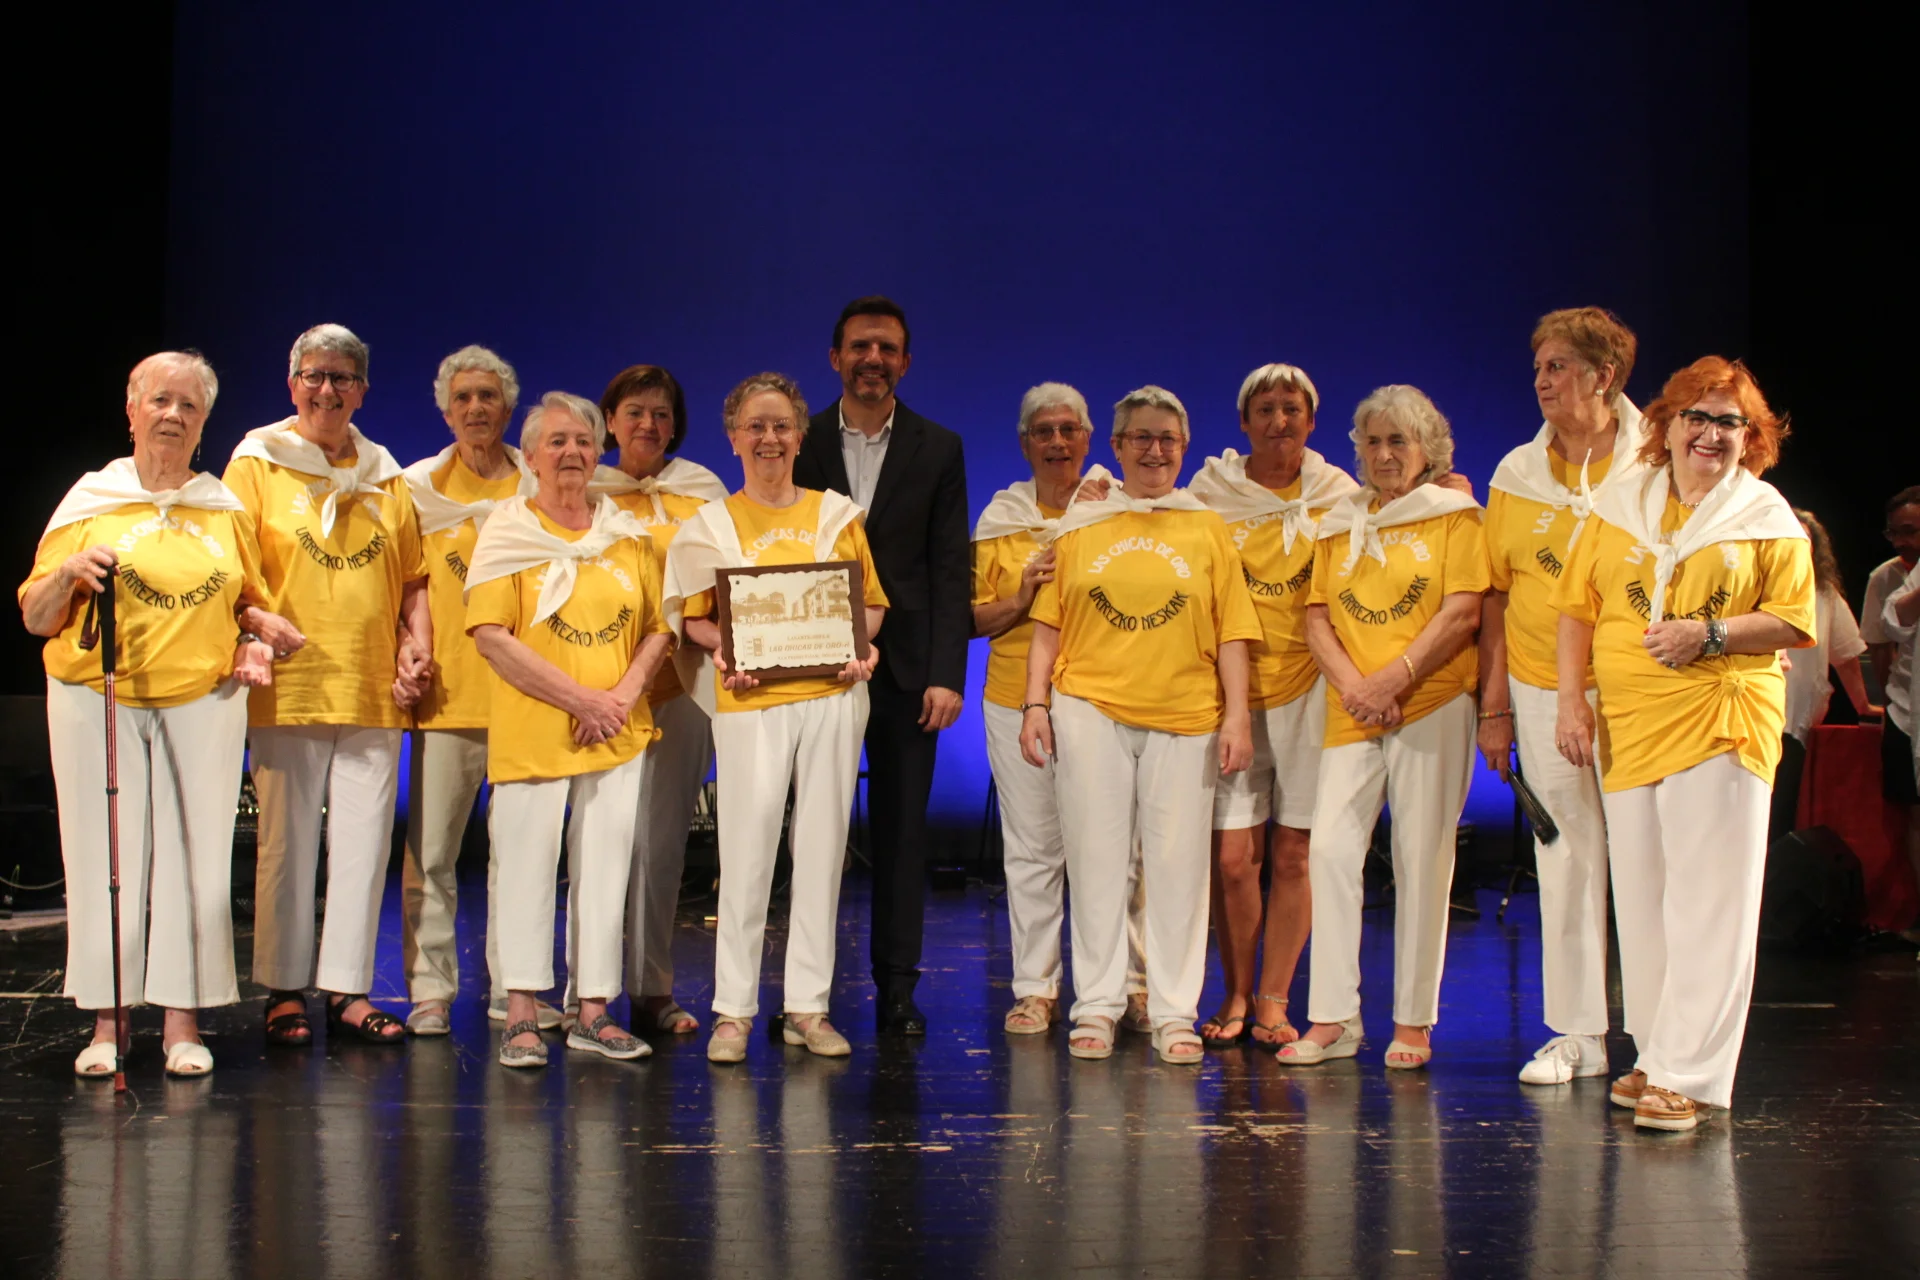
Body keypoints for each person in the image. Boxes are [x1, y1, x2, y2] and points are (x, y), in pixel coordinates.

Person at [1553, 356, 1813, 1132]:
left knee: (1709, 904)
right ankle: (1656, 1053)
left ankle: (1691, 1075)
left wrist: (1709, 635)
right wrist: (1570, 703)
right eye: (1696, 417)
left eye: (1730, 422)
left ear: (1751, 438)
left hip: (1720, 718)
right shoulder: (1620, 507)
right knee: (1644, 902)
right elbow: (1576, 609)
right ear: (1664, 427)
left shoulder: (1765, 516)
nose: (1710, 434)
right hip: (1630, 724)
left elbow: (1794, 619)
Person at [21, 352, 290, 1077]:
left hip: (204, 698)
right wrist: (68, 574)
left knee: (195, 861)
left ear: (203, 424)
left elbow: (251, 604)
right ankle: (108, 1022)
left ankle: (182, 1023)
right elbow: (37, 616)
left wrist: (257, 638)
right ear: (132, 410)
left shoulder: (222, 507)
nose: (173, 415)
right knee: (102, 853)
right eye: (161, 401)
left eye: (189, 406)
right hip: (96, 695)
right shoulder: (91, 499)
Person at [1018, 385, 1261, 1066]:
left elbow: (1233, 632)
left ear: (1184, 449)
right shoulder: (1082, 524)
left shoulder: (1206, 528)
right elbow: (1047, 627)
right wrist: (1035, 704)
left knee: (1178, 868)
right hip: (1089, 708)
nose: (1155, 451)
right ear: (1117, 447)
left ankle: (1174, 1010)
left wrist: (1238, 717)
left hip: (1185, 714)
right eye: (1141, 438)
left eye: (1168, 439)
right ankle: (1097, 1005)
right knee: (1094, 860)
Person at [665, 372, 888, 1064]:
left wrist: (859, 648)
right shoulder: (708, 527)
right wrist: (724, 646)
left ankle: (807, 1008)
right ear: (733, 438)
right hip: (751, 700)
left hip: (832, 697)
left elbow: (869, 606)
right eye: (755, 426)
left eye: (781, 425)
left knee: (821, 849)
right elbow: (693, 620)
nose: (769, 438)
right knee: (746, 849)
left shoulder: (837, 516)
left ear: (800, 436)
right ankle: (733, 1011)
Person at [224, 324, 430, 1046]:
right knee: (286, 846)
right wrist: (253, 624)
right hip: (290, 685)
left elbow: (413, 580)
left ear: (362, 391)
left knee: (365, 847)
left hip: (372, 687)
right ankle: (284, 989)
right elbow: (231, 571)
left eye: (342, 377)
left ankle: (347, 989)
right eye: (314, 375)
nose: (327, 389)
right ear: (293, 386)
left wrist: (418, 645)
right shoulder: (256, 465)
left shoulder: (386, 476)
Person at [1277, 385, 1486, 1071]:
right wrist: (1357, 688)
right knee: (1331, 852)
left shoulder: (1456, 517)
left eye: (1399, 440)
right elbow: (1316, 618)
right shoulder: (1338, 522)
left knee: (1422, 858)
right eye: (1373, 441)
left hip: (1431, 701)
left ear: (1429, 450)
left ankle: (1412, 1022)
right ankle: (1334, 1018)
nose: (1385, 453)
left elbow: (1462, 612)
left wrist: (1394, 679)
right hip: (1353, 706)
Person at [466, 392, 674, 1068]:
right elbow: (491, 636)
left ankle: (593, 1011)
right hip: (536, 729)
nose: (572, 452)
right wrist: (582, 701)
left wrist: (619, 699)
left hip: (615, 729)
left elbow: (659, 628)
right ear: (529, 457)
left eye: (583, 441)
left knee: (606, 871)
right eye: (556, 442)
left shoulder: (625, 534)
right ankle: (523, 1011)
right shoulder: (507, 531)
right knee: (525, 869)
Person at [793, 296, 969, 1035]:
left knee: (901, 835)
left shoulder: (940, 447)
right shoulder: (796, 439)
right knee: (812, 832)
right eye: (861, 346)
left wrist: (948, 673)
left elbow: (950, 568)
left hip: (907, 675)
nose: (874, 359)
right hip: (810, 664)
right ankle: (804, 995)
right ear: (835, 357)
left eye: (887, 348)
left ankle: (898, 988)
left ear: (905, 362)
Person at [1479, 307, 1646, 1086]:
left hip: (1639, 688)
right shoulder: (1516, 473)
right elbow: (1497, 596)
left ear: (1604, 375)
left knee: (1645, 859)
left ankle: (1658, 1032)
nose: (1542, 381)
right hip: (1542, 687)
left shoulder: (1654, 463)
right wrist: (1495, 707)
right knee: (1566, 858)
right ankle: (1579, 1034)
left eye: (1558, 367)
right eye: (1538, 367)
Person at [555, 365, 729, 1036]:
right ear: (609, 421)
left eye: (661, 413)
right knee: (593, 840)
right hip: (599, 685)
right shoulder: (583, 485)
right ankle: (584, 989)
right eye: (634, 412)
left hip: (679, 685)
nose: (648, 425)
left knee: (661, 845)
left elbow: (727, 582)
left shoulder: (702, 490)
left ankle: (652, 986)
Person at [1188, 363, 1358, 1050]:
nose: (1279, 421)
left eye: (1292, 408)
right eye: (1265, 409)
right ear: (1244, 422)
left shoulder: (1340, 495)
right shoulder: (1209, 495)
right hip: (1229, 691)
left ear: (1312, 421)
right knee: (1234, 858)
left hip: (1314, 691)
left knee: (1294, 854)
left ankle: (1272, 997)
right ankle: (1232, 988)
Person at [971, 383, 1125, 1035]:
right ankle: (1036, 988)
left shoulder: (1119, 508)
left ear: (1088, 439)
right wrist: (1021, 596)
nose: (1057, 442)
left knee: (1116, 851)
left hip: (1105, 699)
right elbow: (969, 619)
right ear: (1024, 443)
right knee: (1033, 850)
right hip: (1014, 699)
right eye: (1044, 432)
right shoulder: (1001, 519)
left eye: (1068, 430)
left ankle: (1123, 988)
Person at [398, 345, 536, 1036]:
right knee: (431, 857)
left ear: (508, 409)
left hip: (527, 700)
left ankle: (514, 990)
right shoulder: (417, 490)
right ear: (446, 412)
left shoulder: (539, 483)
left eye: (488, 396)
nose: (476, 408)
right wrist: (409, 645)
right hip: (448, 694)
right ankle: (429, 990)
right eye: (463, 398)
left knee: (521, 859)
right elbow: (407, 584)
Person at [1772, 509, 1877, 841]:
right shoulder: (1752, 582)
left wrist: (1863, 706)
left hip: (1792, 722)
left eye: (1807, 541)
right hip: (1746, 717)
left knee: (1779, 815)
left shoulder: (1823, 594)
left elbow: (1846, 655)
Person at [1862, 485, 1920, 934]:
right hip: (1905, 708)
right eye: (1894, 532)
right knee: (1913, 815)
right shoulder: (1888, 577)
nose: (1902, 541)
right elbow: (1888, 630)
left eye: (1911, 531)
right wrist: (1884, 703)